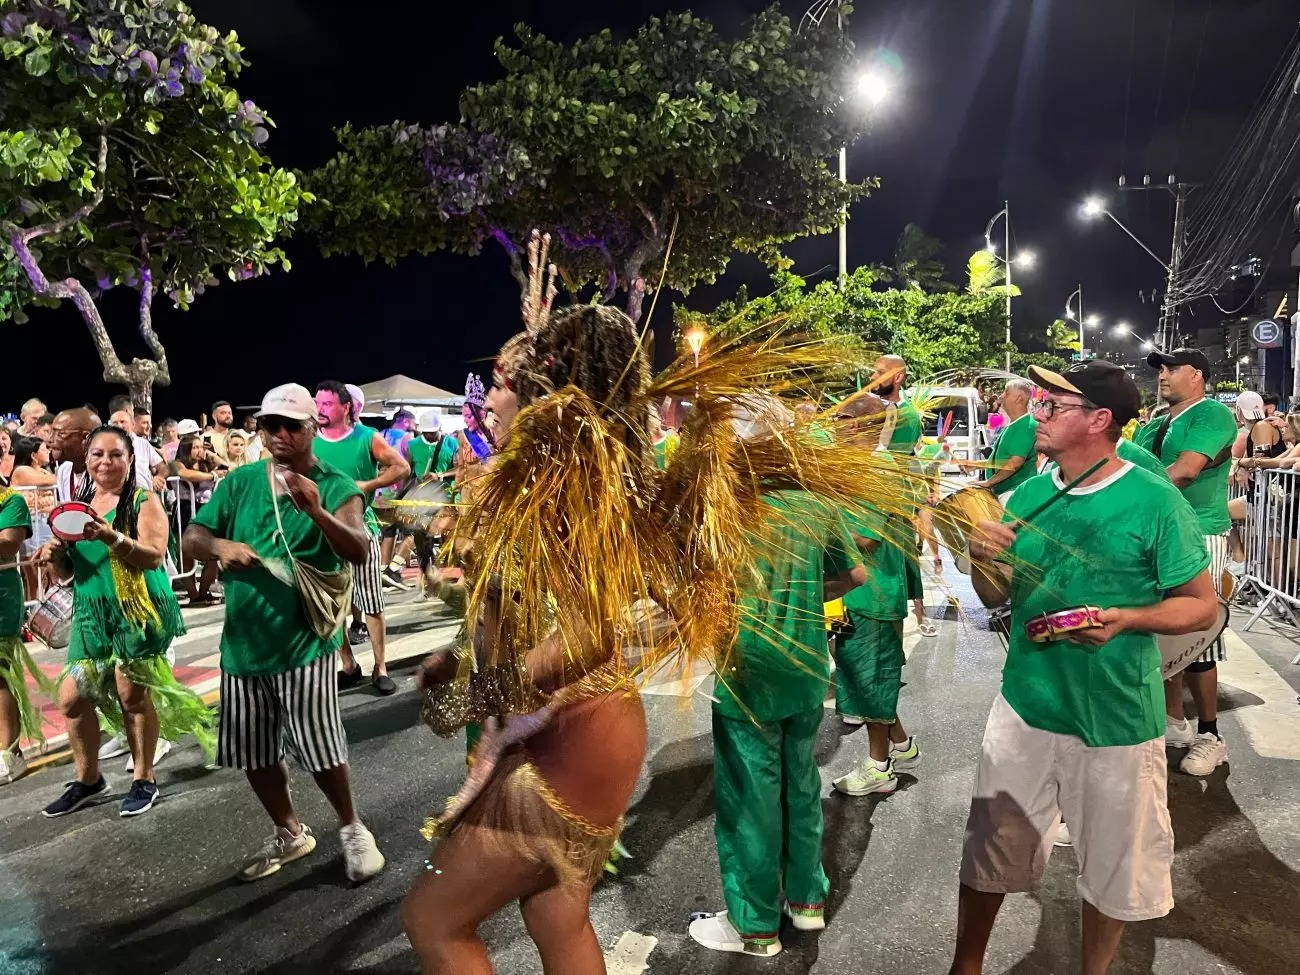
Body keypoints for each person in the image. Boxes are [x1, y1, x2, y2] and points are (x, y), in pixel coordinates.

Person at [953, 361, 1218, 975]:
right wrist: (979, 558)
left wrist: (1126, 619)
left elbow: (1201, 605)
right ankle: (964, 967)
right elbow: (996, 599)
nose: (1036, 414)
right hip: (1026, 703)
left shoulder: (1152, 500)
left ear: (1099, 420)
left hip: (1118, 717)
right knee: (991, 847)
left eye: (1052, 405)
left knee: (1115, 866)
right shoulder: (1033, 493)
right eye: (1039, 402)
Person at [182, 383, 385, 883]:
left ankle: (353, 827)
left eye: (290, 426)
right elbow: (192, 538)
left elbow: (359, 550)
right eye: (269, 425)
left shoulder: (336, 484)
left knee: (320, 747)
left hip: (303, 644)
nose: (278, 435)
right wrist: (221, 545)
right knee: (253, 751)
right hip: (242, 647)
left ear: (312, 429)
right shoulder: (240, 482)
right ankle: (289, 831)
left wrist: (315, 510)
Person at [689, 461, 866, 956]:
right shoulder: (815, 503)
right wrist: (807, 595)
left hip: (750, 670)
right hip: (807, 665)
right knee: (802, 783)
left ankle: (755, 927)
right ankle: (807, 902)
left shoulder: (725, 507)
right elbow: (855, 574)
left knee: (752, 799)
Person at [39, 426, 214, 818]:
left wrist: (112, 537)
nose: (105, 462)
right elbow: (70, 569)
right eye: (98, 455)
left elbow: (153, 555)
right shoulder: (78, 504)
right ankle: (89, 780)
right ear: (87, 461)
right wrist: (55, 558)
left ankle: (143, 778)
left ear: (130, 459)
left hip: (137, 608)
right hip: (92, 612)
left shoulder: (142, 500)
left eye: (115, 455)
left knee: (131, 695)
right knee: (70, 698)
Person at [1135, 349, 1238, 776]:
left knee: (1200, 637)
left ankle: (1211, 734)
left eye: (1171, 368)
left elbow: (1185, 471)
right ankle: (1176, 721)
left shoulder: (1212, 415)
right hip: (1155, 536)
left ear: (1197, 375)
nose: (1163, 375)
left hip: (1200, 533)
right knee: (1166, 634)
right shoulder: (1154, 425)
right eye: (1160, 368)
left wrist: (1128, 497)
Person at [829, 393, 922, 797]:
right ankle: (901, 744)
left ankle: (878, 767)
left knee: (872, 677)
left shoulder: (876, 470)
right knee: (862, 673)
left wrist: (811, 527)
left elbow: (865, 538)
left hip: (874, 592)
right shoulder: (863, 466)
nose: (832, 426)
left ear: (856, 424)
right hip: (860, 593)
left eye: (839, 418)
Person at [313, 380, 410, 696]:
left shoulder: (367, 438)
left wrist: (367, 486)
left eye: (327, 404)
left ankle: (381, 667)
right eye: (318, 403)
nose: (320, 409)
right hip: (322, 532)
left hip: (360, 530)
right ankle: (349, 665)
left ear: (345, 407)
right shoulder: (310, 443)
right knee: (332, 605)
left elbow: (401, 467)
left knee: (371, 601)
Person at [873, 354, 936, 637]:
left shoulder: (905, 414)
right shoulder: (881, 407)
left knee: (899, 561)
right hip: (884, 495)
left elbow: (884, 454)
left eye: (880, 373)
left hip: (891, 500)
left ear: (898, 377)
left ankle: (913, 617)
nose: (874, 378)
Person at [1, 485, 51, 784]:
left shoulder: (12, 501)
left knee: (0, 672)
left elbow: (8, 544)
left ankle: (9, 751)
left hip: (1, 592)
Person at [170, 435, 220, 605]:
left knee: (212, 554)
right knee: (185, 553)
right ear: (186, 449)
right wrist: (211, 476)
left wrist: (212, 456)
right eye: (195, 447)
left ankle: (204, 591)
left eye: (201, 447)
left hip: (205, 509)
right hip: (184, 509)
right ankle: (193, 594)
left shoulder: (208, 464)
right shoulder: (176, 463)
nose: (200, 451)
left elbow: (230, 467)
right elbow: (184, 474)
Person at [979, 379, 1038, 505]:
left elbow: (1015, 462)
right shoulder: (1014, 425)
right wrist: (973, 464)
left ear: (1019, 398)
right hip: (1006, 493)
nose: (1001, 396)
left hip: (1015, 494)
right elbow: (1001, 460)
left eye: (1007, 392)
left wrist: (989, 482)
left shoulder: (1026, 425)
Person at [51, 407, 102, 504]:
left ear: (86, 437)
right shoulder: (64, 470)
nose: (50, 439)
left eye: (60, 434)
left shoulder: (105, 470)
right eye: (52, 432)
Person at [208, 401, 236, 466]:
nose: (228, 416)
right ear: (214, 416)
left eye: (229, 413)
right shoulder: (206, 437)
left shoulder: (238, 436)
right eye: (223, 413)